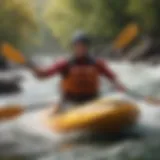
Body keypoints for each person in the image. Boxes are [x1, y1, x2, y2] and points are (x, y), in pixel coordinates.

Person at [30, 32, 126, 113]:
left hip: (92, 100)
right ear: (74, 47)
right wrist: (35, 70)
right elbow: (44, 75)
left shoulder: (97, 63)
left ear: (87, 47)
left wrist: (118, 84)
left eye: (84, 45)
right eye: (78, 45)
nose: (81, 48)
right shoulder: (65, 63)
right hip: (70, 102)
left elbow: (112, 77)